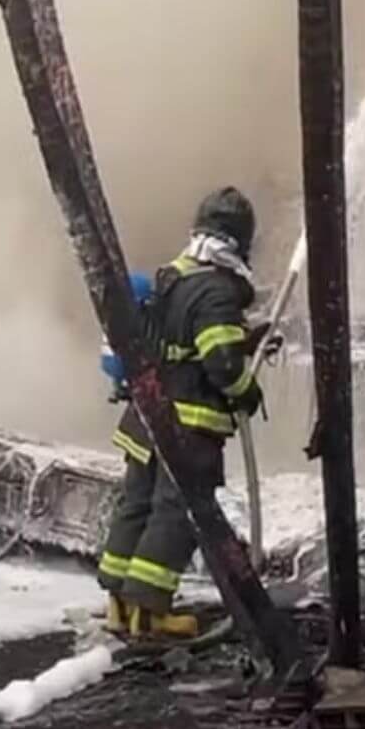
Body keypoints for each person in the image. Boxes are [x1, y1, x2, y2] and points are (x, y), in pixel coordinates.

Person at [95, 187, 266, 639]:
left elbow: (182, 343)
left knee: (137, 505)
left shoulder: (174, 276)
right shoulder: (217, 289)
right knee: (177, 516)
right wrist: (248, 391)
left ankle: (118, 602)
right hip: (187, 427)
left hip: (147, 417)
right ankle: (150, 612)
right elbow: (220, 363)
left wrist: (247, 340)